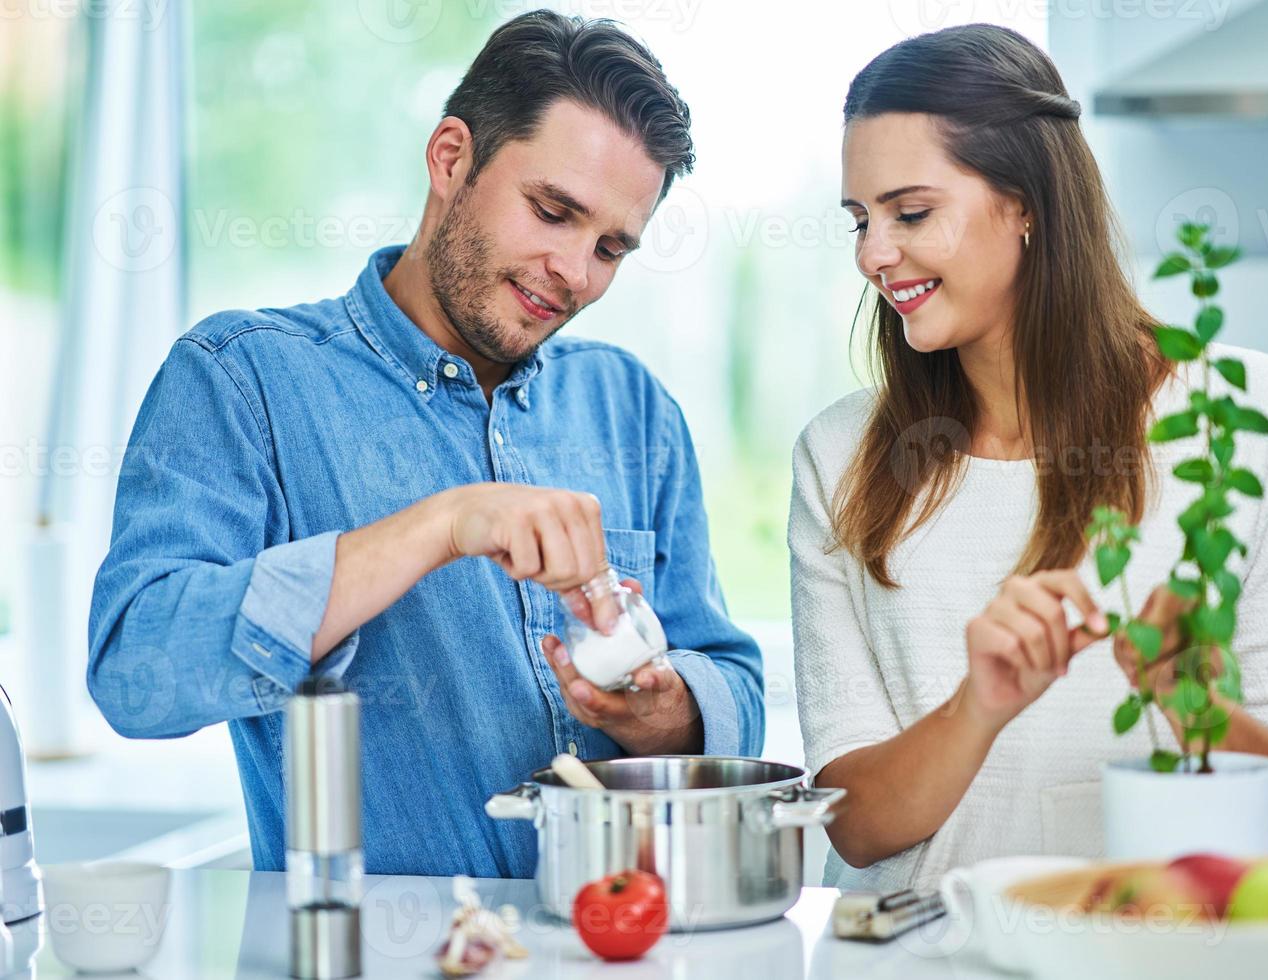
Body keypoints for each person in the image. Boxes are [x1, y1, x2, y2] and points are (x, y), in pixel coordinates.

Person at [88, 11, 763, 878]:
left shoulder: (629, 407)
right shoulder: (242, 380)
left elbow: (733, 688)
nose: (574, 272)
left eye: (609, 247)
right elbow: (135, 671)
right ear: (451, 157)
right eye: (552, 211)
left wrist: (657, 710)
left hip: (619, 947)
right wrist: (439, 526)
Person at [789, 24, 1268, 893]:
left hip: (1168, 954)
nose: (871, 254)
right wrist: (977, 708)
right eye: (859, 220)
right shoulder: (840, 457)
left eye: (910, 213)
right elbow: (853, 826)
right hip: (921, 958)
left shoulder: (1242, 418)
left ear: (1026, 204)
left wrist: (1190, 703)